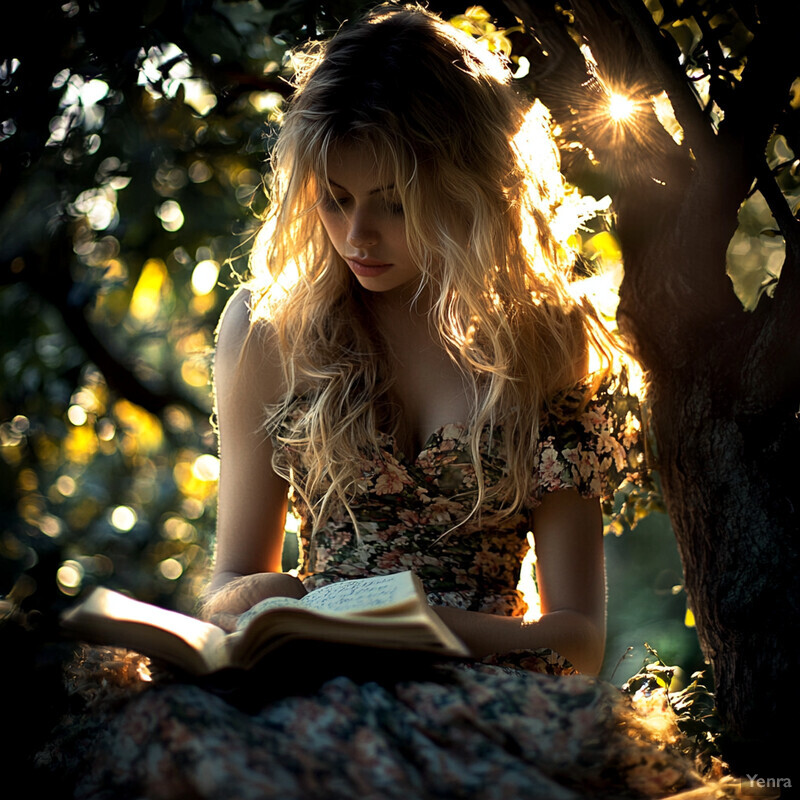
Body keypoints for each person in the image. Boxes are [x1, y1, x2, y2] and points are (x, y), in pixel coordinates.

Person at [39, 5, 727, 798]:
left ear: (466, 187)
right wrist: (261, 602)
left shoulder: (547, 339)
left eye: (393, 203)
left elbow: (576, 641)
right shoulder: (266, 330)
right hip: (306, 690)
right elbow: (232, 576)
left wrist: (399, 633)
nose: (356, 235)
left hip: (487, 698)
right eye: (333, 198)